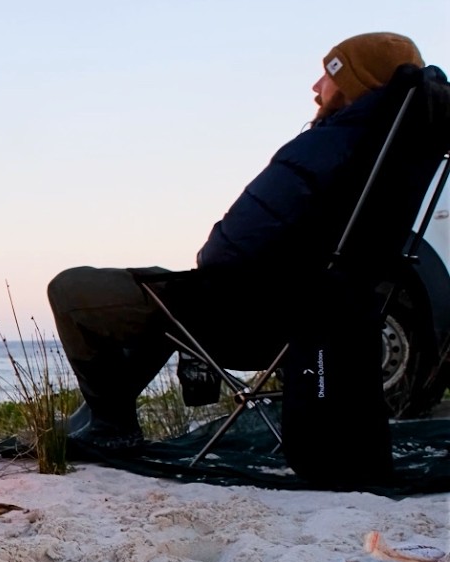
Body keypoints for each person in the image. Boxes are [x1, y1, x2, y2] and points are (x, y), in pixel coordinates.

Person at [46, 32, 433, 467]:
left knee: (72, 288)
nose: (315, 87)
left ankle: (112, 423)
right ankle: (103, 416)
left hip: (254, 318)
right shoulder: (393, 152)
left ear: (354, 82)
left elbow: (223, 253)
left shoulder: (329, 147)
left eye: (327, 74)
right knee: (158, 284)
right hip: (320, 318)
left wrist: (216, 249)